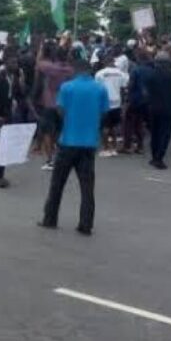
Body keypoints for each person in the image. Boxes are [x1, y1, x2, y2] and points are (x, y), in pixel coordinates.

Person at [38, 59, 108, 235]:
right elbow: (104, 111)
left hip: (68, 140)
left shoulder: (67, 87)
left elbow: (60, 110)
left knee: (57, 183)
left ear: (76, 70)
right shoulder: (100, 88)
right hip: (89, 143)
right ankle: (86, 224)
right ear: (90, 71)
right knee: (87, 186)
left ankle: (50, 219)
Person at [0, 49, 32, 188]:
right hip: (0, 117)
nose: (16, 65)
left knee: (4, 146)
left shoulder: (14, 77)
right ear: (5, 63)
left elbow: (22, 95)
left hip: (9, 115)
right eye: (13, 62)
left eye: (17, 63)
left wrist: (33, 112)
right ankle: (0, 176)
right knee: (4, 147)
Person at [36, 42, 73, 169]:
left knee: (47, 132)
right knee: (61, 131)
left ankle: (50, 160)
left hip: (49, 103)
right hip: (64, 104)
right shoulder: (69, 70)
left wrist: (41, 50)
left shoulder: (48, 67)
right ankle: (62, 158)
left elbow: (39, 62)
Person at [145, 50, 171, 169]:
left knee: (154, 133)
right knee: (165, 134)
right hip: (168, 108)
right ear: (168, 62)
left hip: (152, 107)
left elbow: (146, 92)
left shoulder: (150, 74)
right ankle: (159, 158)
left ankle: (154, 157)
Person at [95, 53, 130, 158]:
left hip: (104, 103)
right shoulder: (121, 74)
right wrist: (124, 103)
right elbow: (124, 89)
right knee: (114, 126)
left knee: (104, 126)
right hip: (117, 102)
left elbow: (97, 89)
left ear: (105, 62)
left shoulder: (100, 74)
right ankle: (114, 148)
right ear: (113, 62)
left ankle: (106, 148)